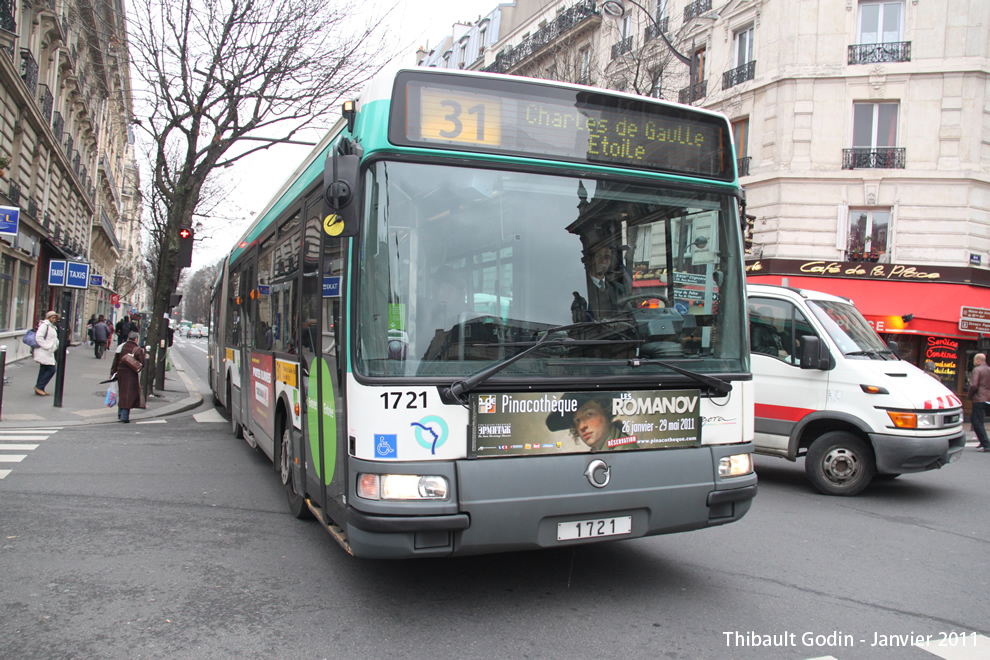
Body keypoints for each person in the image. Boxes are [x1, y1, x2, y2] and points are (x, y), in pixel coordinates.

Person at [545, 393, 638, 451]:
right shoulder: (602, 450)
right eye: (577, 420)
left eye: (589, 414)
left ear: (606, 411)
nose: (582, 426)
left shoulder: (625, 451)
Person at [110, 331, 146, 423]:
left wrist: (113, 373)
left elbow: (115, 361)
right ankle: (124, 416)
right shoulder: (137, 349)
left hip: (120, 372)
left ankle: (120, 413)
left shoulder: (121, 347)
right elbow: (143, 363)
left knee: (122, 393)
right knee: (129, 395)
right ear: (136, 339)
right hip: (131, 373)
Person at [33, 311, 60, 396]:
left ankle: (40, 388)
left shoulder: (51, 326)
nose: (54, 319)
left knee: (44, 369)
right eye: (52, 317)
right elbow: (39, 337)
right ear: (48, 318)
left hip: (48, 352)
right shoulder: (44, 325)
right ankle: (39, 386)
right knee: (52, 369)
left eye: (55, 318)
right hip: (44, 351)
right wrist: (46, 346)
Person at [968, 353, 990, 452]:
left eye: (974, 360)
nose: (973, 362)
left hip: (979, 398)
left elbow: (974, 385)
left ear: (978, 360)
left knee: (977, 421)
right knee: (977, 420)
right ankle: (983, 441)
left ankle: (986, 444)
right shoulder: (989, 369)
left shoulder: (977, 370)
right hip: (987, 398)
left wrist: (970, 395)